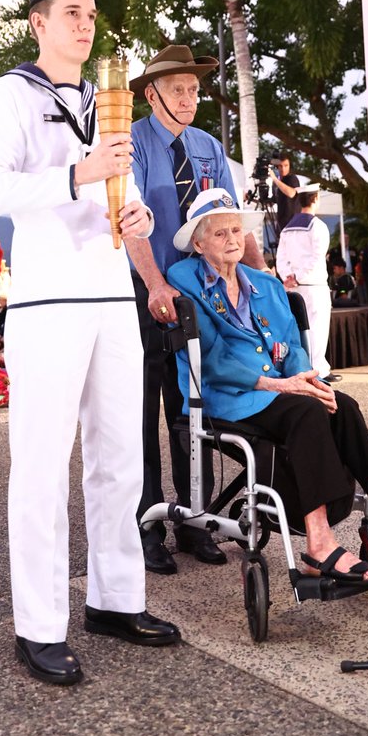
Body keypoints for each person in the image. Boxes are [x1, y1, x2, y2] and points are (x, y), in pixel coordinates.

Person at [0, 0, 179, 686]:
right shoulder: (9, 95)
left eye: (90, 14)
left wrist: (136, 213)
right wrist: (79, 174)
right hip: (49, 300)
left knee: (121, 455)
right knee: (40, 465)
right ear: (38, 23)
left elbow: (115, 192)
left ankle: (116, 600)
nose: (84, 25)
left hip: (111, 294)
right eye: (69, 13)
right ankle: (38, 626)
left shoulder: (106, 96)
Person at [167, 190, 368, 583]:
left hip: (278, 389)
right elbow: (211, 360)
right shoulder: (184, 280)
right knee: (307, 410)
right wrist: (278, 385)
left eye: (235, 230)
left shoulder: (264, 284)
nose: (232, 239)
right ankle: (319, 542)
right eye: (219, 234)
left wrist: (308, 380)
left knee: (340, 404)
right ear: (197, 243)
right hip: (227, 396)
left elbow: (293, 344)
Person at [125, 43, 270, 575]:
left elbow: (230, 221)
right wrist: (156, 285)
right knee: (143, 415)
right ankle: (147, 526)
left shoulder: (209, 146)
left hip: (205, 299)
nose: (189, 97)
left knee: (192, 409)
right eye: (178, 88)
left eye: (194, 88)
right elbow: (130, 221)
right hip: (148, 296)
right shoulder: (133, 143)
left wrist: (260, 276)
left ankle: (195, 520)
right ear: (151, 92)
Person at [275, 183, 339, 383]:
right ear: (315, 199)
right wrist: (300, 276)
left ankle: (302, 367)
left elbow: (280, 257)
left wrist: (288, 276)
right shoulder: (318, 226)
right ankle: (318, 369)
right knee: (317, 329)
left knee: (297, 329)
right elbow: (317, 256)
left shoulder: (287, 229)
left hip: (291, 286)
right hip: (313, 285)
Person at [270, 153, 300, 234]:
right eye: (280, 166)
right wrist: (251, 198)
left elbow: (291, 193)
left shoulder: (292, 178)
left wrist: (275, 179)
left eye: (286, 165)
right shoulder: (277, 183)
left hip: (293, 225)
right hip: (281, 225)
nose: (283, 169)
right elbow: (272, 201)